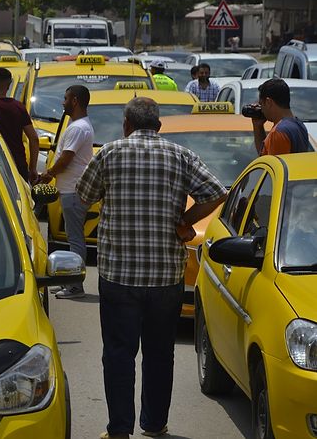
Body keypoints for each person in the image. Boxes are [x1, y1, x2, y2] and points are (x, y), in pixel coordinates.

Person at [75, 97, 227, 439]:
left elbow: (84, 197)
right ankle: (155, 424)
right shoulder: (180, 155)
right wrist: (185, 220)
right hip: (165, 277)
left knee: (118, 354)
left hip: (119, 277)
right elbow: (217, 193)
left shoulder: (110, 153)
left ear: (127, 124)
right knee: (160, 354)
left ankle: (119, 430)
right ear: (158, 126)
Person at [38, 85, 93, 299]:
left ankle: (75, 286)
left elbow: (66, 158)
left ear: (75, 101)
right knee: (73, 238)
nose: (63, 103)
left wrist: (49, 173)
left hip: (73, 190)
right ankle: (70, 282)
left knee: (75, 239)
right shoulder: (77, 125)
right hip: (70, 189)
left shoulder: (78, 128)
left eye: (66, 98)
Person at [249, 78, 313, 155]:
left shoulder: (279, 132)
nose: (261, 109)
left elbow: (272, 165)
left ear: (269, 102)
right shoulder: (300, 125)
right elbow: (264, 156)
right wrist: (258, 126)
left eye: (261, 104)